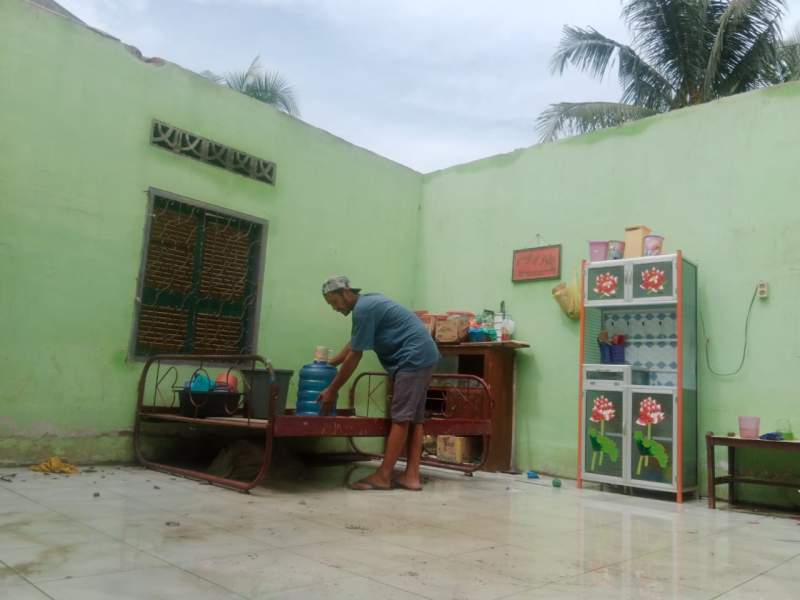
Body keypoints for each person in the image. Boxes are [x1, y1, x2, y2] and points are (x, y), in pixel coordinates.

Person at [318, 276, 440, 491]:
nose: (335, 308)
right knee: (415, 419)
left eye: (334, 302)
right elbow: (355, 342)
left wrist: (332, 389)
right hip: (424, 355)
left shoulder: (363, 309)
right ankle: (411, 476)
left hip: (412, 358)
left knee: (401, 418)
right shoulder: (368, 302)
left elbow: (355, 355)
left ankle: (383, 476)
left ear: (346, 293)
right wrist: (330, 364)